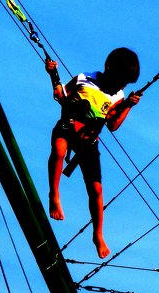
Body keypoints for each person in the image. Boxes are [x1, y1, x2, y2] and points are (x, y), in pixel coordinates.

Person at [48, 47, 141, 258]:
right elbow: (61, 96)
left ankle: (97, 235)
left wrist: (128, 106)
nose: (122, 86)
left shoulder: (119, 95)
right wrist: (53, 76)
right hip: (68, 126)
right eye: (121, 80)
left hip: (89, 141)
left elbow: (113, 124)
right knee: (59, 151)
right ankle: (54, 194)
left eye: (125, 84)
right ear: (109, 69)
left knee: (97, 190)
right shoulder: (84, 79)